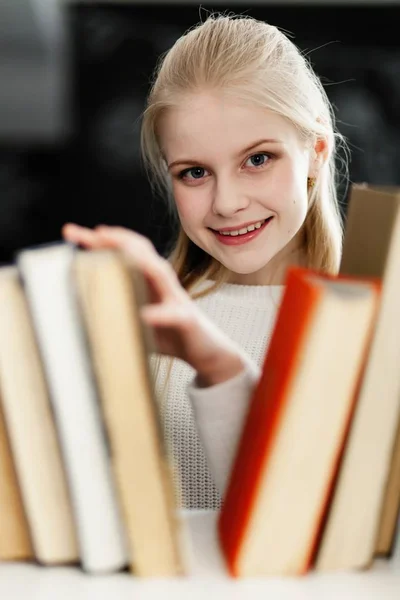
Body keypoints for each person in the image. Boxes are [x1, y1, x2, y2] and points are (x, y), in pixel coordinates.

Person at [62, 13, 347, 510]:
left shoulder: (374, 320)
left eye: (258, 159)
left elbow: (302, 523)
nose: (227, 203)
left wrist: (218, 365)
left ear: (316, 152)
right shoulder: (146, 320)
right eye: (194, 172)